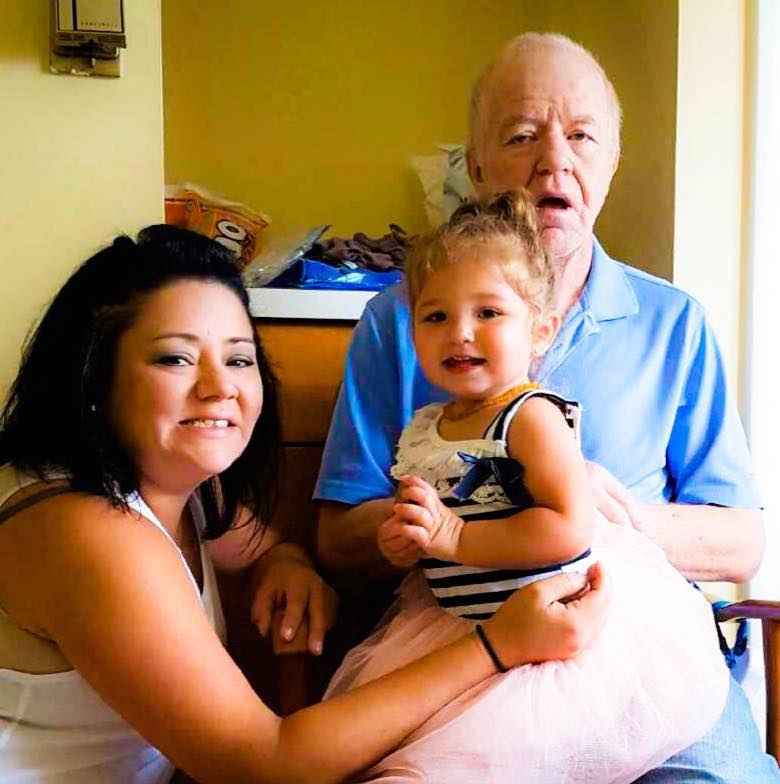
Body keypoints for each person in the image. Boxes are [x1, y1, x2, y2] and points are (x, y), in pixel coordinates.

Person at [316, 32, 779, 781]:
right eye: (523, 135)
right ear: (475, 168)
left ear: (610, 164)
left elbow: (742, 543)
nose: (554, 159)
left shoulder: (674, 324)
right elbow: (337, 534)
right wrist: (425, 527)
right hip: (453, 646)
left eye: (583, 136)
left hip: (632, 657)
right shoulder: (400, 320)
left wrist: (606, 513)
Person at [0, 225, 609, 784]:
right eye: (176, 357)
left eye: (239, 358)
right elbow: (266, 764)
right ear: (93, 378)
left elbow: (266, 544)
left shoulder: (188, 490)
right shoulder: (85, 530)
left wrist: (286, 563)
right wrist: (498, 645)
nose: (221, 387)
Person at [323, 191, 729, 782]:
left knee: (446, 770)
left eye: (487, 313)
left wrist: (455, 536)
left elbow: (568, 526)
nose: (460, 333)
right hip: (455, 628)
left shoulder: (531, 416)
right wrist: (403, 542)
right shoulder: (426, 426)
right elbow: (428, 528)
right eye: (435, 317)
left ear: (540, 330)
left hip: (545, 634)